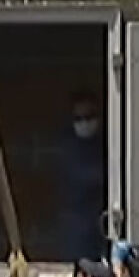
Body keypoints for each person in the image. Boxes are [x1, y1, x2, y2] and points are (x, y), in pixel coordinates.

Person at [56, 88, 106, 262]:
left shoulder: (104, 144)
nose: (84, 122)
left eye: (89, 116)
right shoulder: (69, 148)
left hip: (102, 229)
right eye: (79, 118)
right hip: (78, 231)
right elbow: (89, 175)